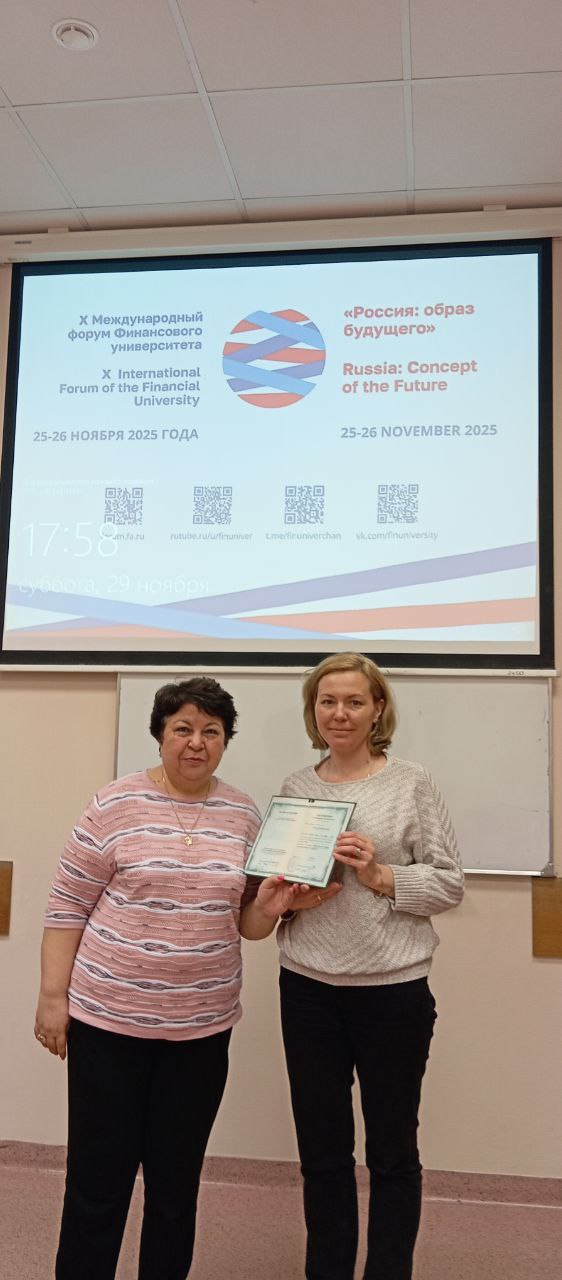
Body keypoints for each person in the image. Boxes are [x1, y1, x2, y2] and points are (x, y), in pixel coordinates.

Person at [34, 676, 296, 1280]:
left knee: (176, 1188)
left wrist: (272, 906)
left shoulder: (244, 814)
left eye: (211, 731)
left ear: (226, 741)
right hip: (108, 1026)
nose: (196, 742)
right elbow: (67, 906)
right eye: (183, 729)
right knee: (98, 1182)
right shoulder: (114, 804)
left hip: (200, 1034)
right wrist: (52, 997)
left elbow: (248, 924)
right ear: (159, 735)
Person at [243, 652, 464, 1280]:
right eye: (327, 701)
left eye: (353, 701)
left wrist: (380, 874)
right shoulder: (294, 788)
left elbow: (450, 884)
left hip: (393, 992)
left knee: (392, 1153)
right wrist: (290, 898)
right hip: (307, 989)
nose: (339, 713)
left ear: (378, 709)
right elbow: (277, 894)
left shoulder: (411, 783)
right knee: (322, 1154)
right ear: (313, 711)